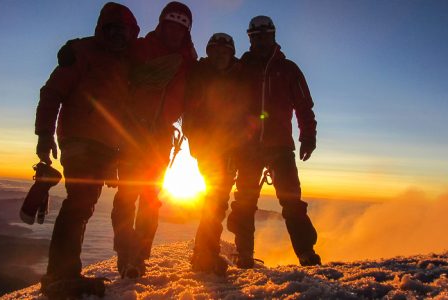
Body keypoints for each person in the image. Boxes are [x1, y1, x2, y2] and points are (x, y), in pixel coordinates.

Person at [34, 2, 139, 297]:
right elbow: (52, 92)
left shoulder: (127, 62)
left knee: (84, 203)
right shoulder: (81, 53)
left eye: (124, 30)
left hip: (107, 146)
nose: (118, 34)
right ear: (101, 29)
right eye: (112, 28)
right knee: (80, 201)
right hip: (79, 141)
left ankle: (62, 272)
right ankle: (60, 275)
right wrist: (44, 134)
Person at [227, 15, 321, 268]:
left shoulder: (288, 69)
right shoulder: (240, 68)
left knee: (291, 202)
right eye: (255, 37)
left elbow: (304, 106)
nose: (259, 41)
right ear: (250, 38)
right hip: (247, 147)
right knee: (245, 202)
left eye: (264, 36)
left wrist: (308, 136)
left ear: (273, 36)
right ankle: (244, 254)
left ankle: (305, 253)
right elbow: (226, 106)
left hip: (279, 146)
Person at [111, 1, 197, 279]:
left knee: (149, 198)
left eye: (181, 28)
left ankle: (138, 257)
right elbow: (109, 55)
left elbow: (204, 87)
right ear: (161, 24)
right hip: (133, 131)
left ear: (186, 32)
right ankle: (126, 254)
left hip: (160, 136)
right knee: (126, 196)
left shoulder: (189, 61)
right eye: (171, 26)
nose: (175, 32)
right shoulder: (140, 48)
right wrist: (75, 49)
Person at [183, 33, 250, 275]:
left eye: (225, 51)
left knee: (217, 199)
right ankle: (204, 254)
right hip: (209, 149)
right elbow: (189, 112)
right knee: (216, 198)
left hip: (230, 148)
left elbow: (246, 112)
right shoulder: (199, 74)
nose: (220, 55)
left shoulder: (240, 74)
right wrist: (198, 142)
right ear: (209, 52)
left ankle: (204, 252)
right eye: (215, 50)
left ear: (231, 53)